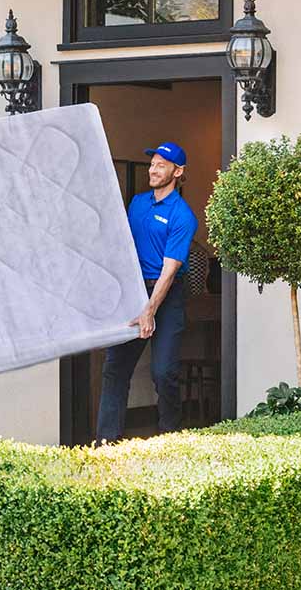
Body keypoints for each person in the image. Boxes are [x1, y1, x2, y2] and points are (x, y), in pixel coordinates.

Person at [96, 142, 197, 443]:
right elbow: (121, 248)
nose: (153, 169)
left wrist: (150, 310)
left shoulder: (182, 216)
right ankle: (106, 441)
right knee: (115, 368)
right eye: (152, 164)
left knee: (163, 372)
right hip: (134, 292)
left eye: (161, 165)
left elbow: (169, 271)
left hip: (166, 295)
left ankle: (170, 438)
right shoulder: (137, 204)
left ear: (177, 172)